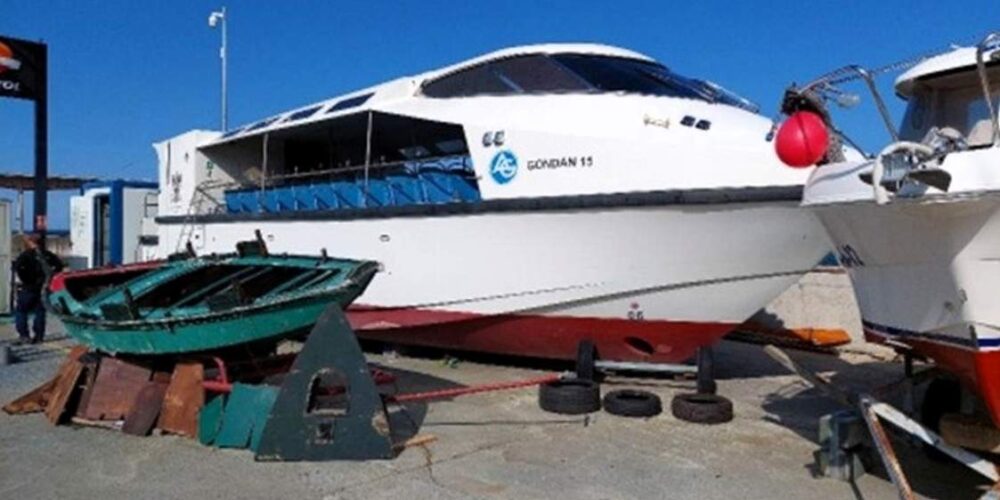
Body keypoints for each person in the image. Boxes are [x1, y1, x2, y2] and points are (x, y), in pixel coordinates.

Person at [13, 234, 64, 345]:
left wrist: (26, 280)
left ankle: (24, 335)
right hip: (43, 287)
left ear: (30, 243)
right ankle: (39, 336)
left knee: (21, 311)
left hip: (28, 287)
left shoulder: (25, 255)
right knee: (40, 311)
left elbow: (18, 268)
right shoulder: (47, 255)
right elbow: (59, 266)